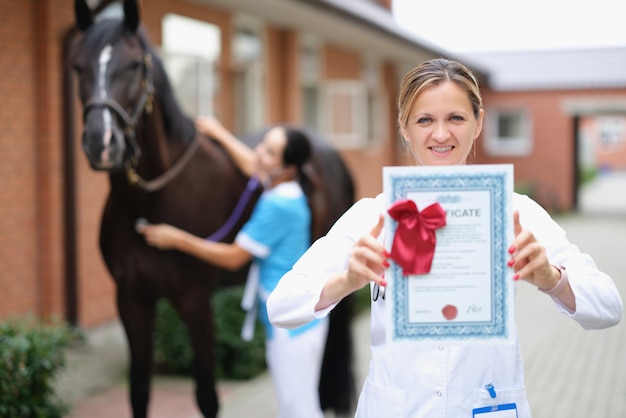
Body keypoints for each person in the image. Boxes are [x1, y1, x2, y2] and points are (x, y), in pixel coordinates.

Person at [266, 58, 623, 417]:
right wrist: (347, 280)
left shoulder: (515, 213)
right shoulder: (372, 218)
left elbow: (608, 307)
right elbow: (281, 305)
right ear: (404, 128)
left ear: (479, 122)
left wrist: (552, 279)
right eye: (424, 120)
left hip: (486, 404)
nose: (440, 134)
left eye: (456, 118)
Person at [138, 116, 328, 418]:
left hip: (295, 324)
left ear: (286, 168)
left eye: (268, 152)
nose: (258, 154)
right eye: (262, 146)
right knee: (295, 405)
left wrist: (177, 239)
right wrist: (219, 132)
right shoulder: (285, 187)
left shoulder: (277, 205)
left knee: (299, 409)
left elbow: (233, 257)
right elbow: (251, 165)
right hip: (298, 316)